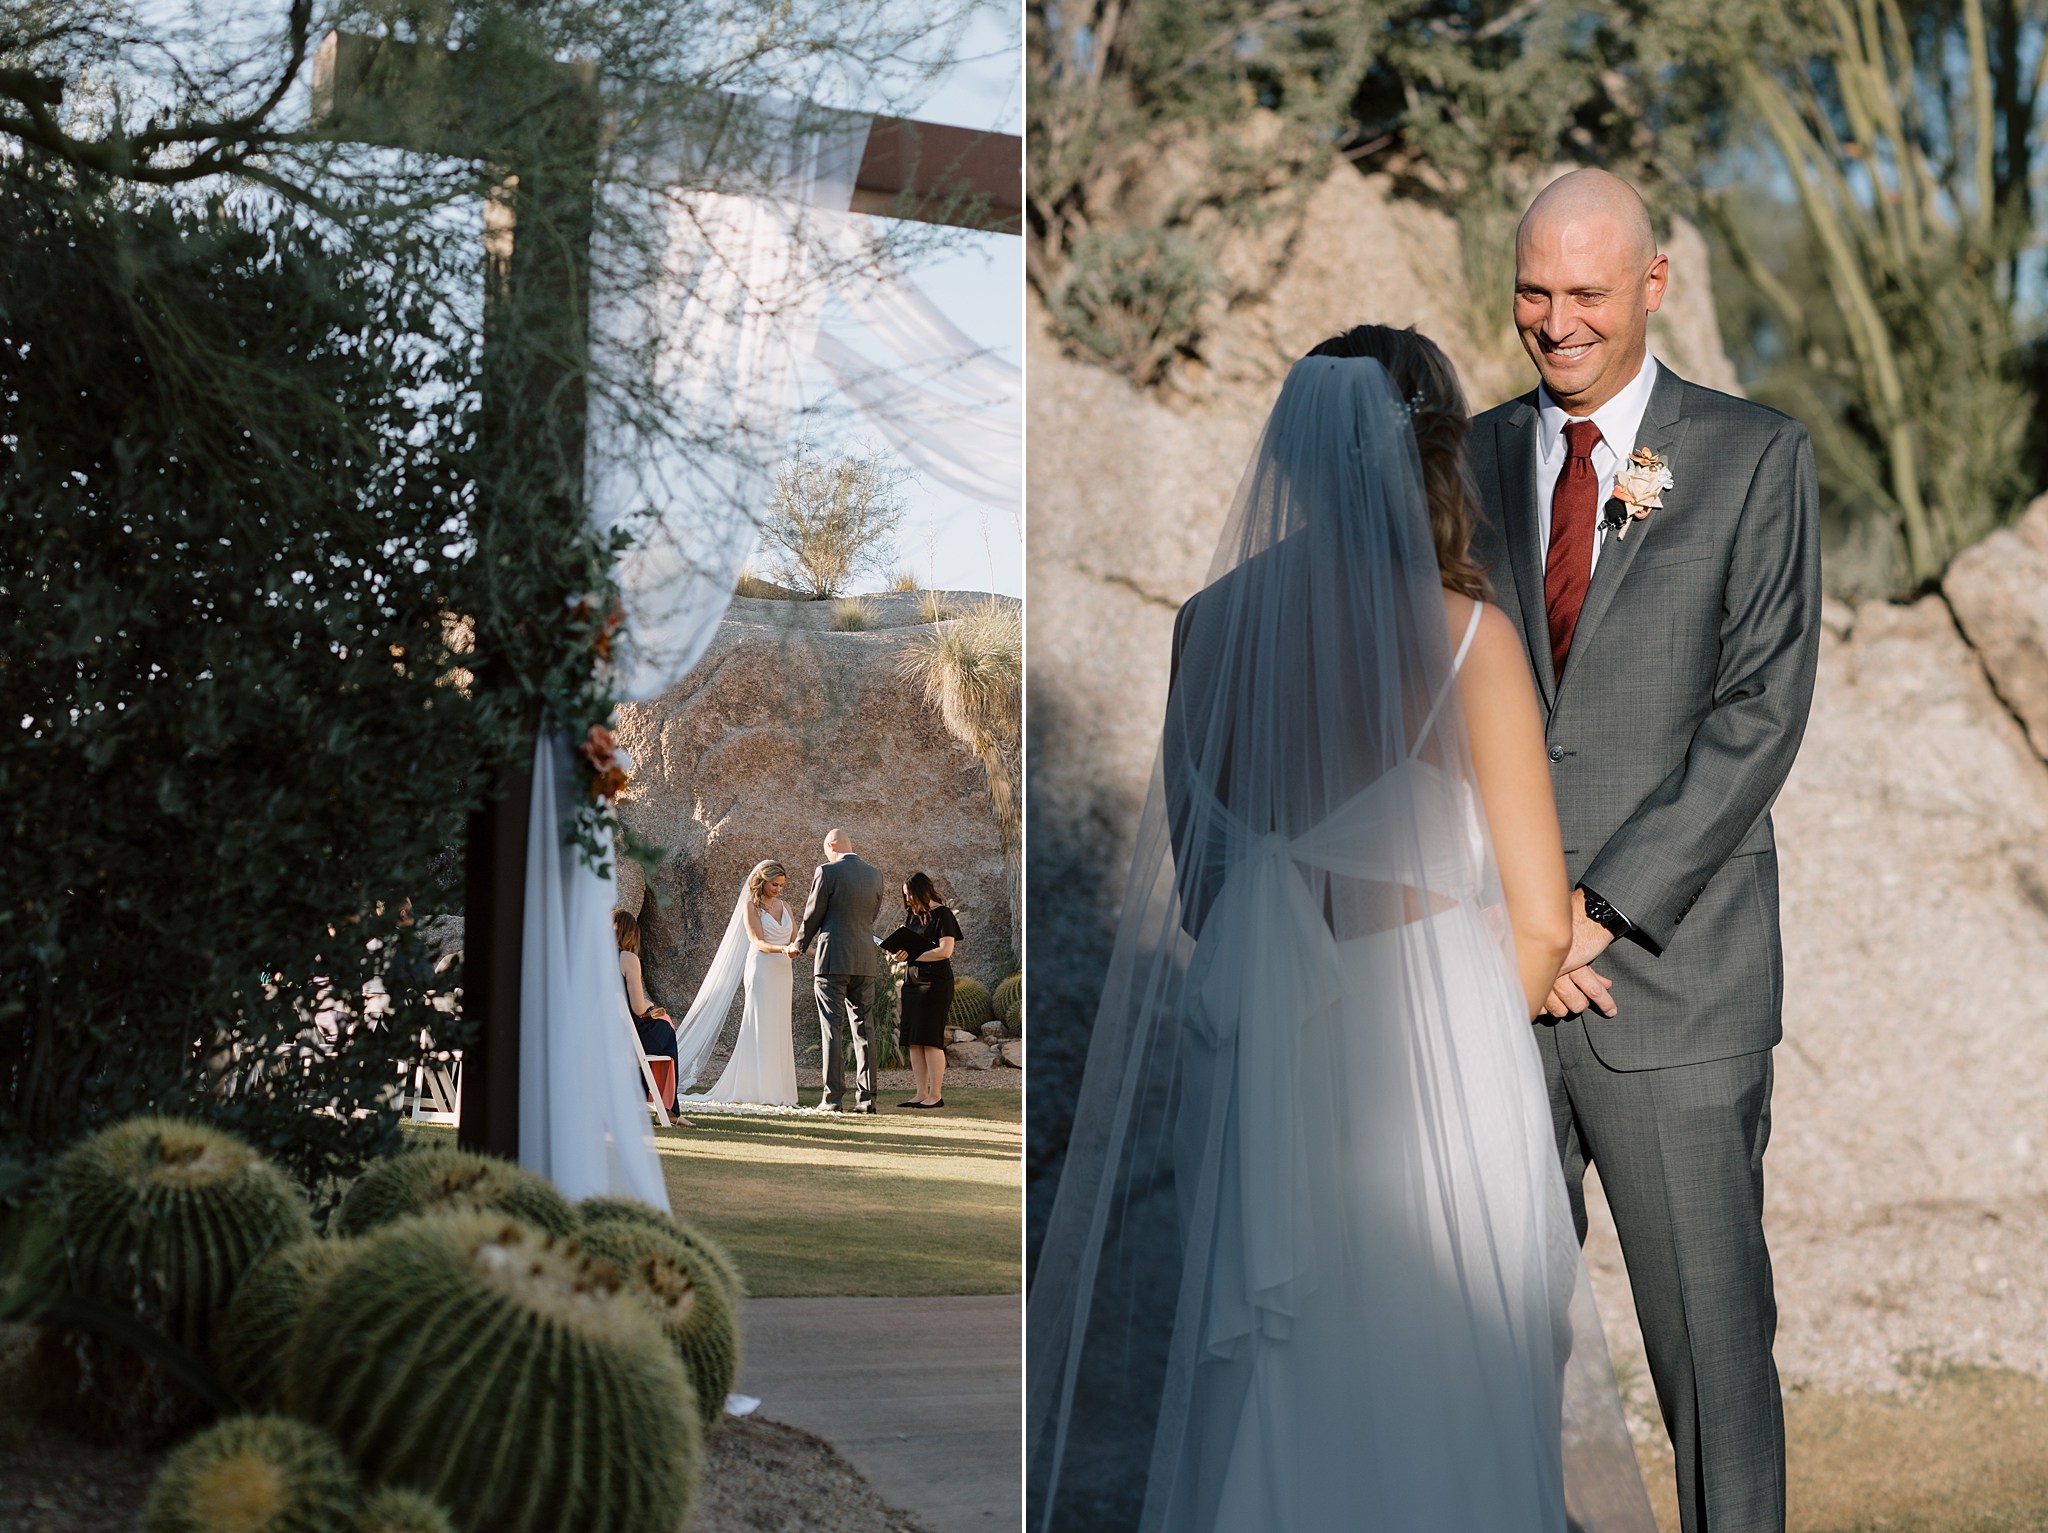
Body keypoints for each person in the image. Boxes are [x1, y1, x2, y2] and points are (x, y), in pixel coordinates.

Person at [1026, 333, 1656, 1530]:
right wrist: (1528, 947)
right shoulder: (1466, 638)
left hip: (1261, 1049)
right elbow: (1534, 925)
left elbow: (1210, 892)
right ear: (1435, 452)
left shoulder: (1203, 631)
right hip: (1427, 1061)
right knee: (1443, 1377)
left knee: (1275, 1381)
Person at [1467, 169, 1820, 1533]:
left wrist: (1591, 915)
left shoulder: (1754, 455)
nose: (1558, 323)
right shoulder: (1466, 459)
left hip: (1668, 985)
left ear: (1655, 287)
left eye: (1589, 295)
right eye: (1535, 291)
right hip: (1492, 992)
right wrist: (1511, 928)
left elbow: (1760, 712)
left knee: (1712, 1366)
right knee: (1489, 1360)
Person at [692, 859, 800, 1106]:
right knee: (761, 1025)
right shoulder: (750, 907)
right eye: (774, 884)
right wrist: (784, 950)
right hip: (762, 969)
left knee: (779, 1026)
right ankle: (758, 1089)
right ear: (762, 882)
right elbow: (758, 942)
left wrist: (821, 952)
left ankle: (778, 1090)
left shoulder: (786, 907)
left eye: (782, 885)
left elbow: (797, 941)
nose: (778, 890)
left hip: (783, 973)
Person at [793, 829, 887, 1113]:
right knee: (864, 1030)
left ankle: (832, 1099)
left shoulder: (827, 872)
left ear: (830, 845)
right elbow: (870, 917)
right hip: (864, 962)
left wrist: (799, 945)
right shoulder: (875, 875)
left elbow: (813, 914)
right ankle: (867, 1100)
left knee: (832, 1029)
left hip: (832, 960)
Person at [886, 872, 962, 1109]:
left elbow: (945, 951)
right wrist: (896, 952)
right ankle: (920, 1093)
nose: (907, 900)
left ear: (922, 891)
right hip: (912, 983)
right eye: (905, 895)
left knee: (931, 1040)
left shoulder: (943, 915)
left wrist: (915, 955)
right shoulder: (912, 918)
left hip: (935, 984)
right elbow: (909, 950)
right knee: (915, 1041)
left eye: (910, 894)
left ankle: (935, 1095)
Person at [614, 909, 687, 1123]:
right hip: (626, 1035)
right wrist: (649, 1005)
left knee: (661, 1027)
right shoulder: (627, 958)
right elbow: (637, 1008)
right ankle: (669, 1110)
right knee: (666, 1028)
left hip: (602, 1029)